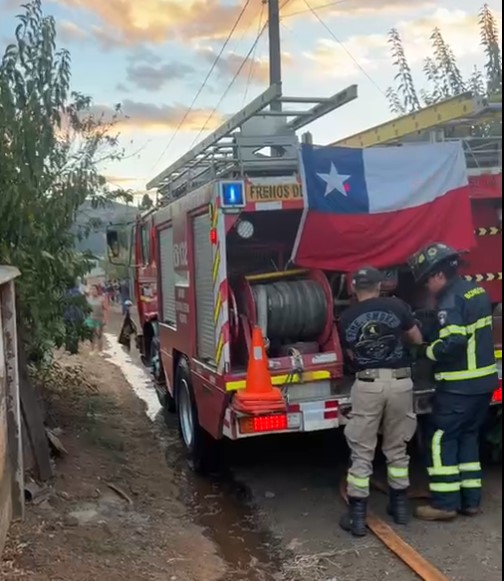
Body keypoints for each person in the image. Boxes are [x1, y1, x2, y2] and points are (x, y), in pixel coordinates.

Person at [408, 242, 498, 522]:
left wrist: (424, 351)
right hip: (483, 384)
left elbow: (453, 342)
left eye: (426, 281)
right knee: (468, 437)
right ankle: (470, 501)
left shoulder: (450, 300)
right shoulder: (475, 290)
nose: (427, 287)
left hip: (459, 386)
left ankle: (445, 504)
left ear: (438, 274)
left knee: (440, 438)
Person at [338, 266, 423, 537]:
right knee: (397, 446)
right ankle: (400, 509)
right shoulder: (397, 306)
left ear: (354, 289)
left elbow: (351, 354)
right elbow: (416, 338)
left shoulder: (346, 317)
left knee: (362, 450)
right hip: (400, 383)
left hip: (368, 385)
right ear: (379, 286)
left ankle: (357, 518)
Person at [86, 284, 109, 354]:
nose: (93, 291)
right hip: (90, 318)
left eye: (94, 289)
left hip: (99, 318)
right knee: (91, 335)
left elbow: (105, 309)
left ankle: (100, 350)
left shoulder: (102, 299)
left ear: (97, 290)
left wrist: (105, 319)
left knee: (99, 335)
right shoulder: (88, 299)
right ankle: (92, 349)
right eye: (91, 289)